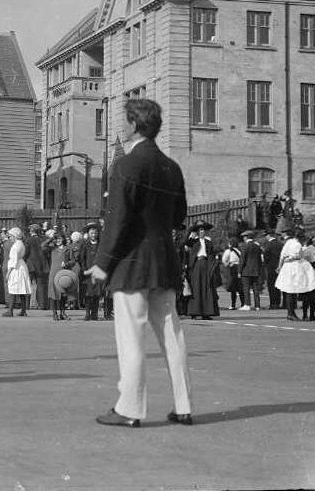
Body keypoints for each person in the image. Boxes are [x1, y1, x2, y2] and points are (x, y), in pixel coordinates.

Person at [86, 98, 193, 429]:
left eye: (125, 120)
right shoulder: (172, 167)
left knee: (131, 337)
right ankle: (184, 406)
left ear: (133, 125)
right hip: (164, 261)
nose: (123, 125)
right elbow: (179, 217)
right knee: (172, 334)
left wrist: (102, 263)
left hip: (131, 263)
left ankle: (130, 408)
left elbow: (117, 219)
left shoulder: (126, 165)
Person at [276, 234, 315, 321]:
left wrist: (280, 265)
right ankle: (291, 313)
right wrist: (291, 258)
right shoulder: (298, 244)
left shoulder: (289, 242)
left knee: (289, 290)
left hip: (287, 267)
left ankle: (290, 313)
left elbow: (282, 255)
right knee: (292, 291)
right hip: (295, 266)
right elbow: (297, 256)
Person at [185, 222, 219, 320]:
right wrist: (191, 234)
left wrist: (213, 265)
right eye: (200, 230)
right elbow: (186, 244)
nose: (202, 232)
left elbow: (212, 254)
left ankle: (206, 313)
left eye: (203, 230)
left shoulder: (208, 242)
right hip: (196, 265)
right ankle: (194, 312)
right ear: (197, 232)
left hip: (206, 264)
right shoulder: (193, 241)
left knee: (207, 287)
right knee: (196, 287)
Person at [2, 227, 30, 316]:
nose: (10, 238)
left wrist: (8, 273)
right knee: (21, 290)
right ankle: (23, 310)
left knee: (13, 288)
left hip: (16, 268)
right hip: (21, 265)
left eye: (10, 236)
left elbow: (13, 260)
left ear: (14, 236)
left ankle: (10, 310)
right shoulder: (21, 244)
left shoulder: (15, 246)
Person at [238, 230, 264, 311]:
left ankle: (247, 304)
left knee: (246, 288)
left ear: (246, 237)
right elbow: (260, 260)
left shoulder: (245, 246)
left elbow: (242, 259)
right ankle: (257, 305)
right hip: (256, 270)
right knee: (256, 289)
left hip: (246, 270)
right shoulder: (257, 246)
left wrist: (239, 271)